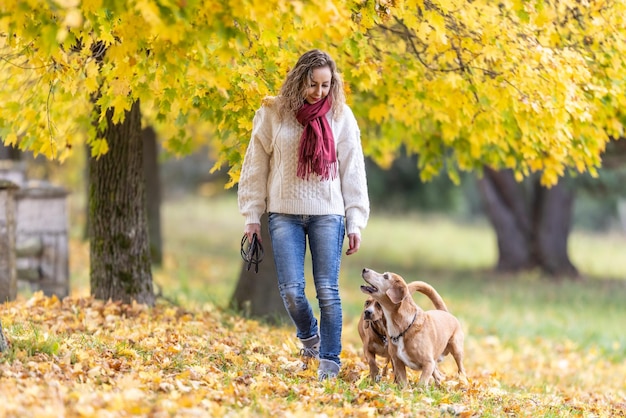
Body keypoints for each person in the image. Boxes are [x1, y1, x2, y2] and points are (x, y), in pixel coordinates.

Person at [237, 49, 370, 380]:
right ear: (299, 79)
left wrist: (355, 221)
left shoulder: (341, 116)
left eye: (326, 86)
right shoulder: (272, 113)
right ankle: (310, 338)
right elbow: (255, 166)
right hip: (283, 213)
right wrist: (252, 215)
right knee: (293, 291)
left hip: (329, 215)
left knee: (327, 290)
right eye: (313, 84)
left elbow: (353, 172)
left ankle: (330, 361)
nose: (319, 93)